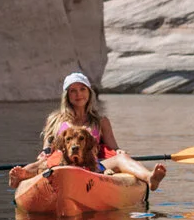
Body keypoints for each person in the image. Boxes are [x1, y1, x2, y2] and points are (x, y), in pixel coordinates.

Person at [9, 72, 167, 189]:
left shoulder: (101, 121)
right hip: (61, 163)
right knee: (42, 162)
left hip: (93, 165)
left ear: (89, 93)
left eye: (82, 89)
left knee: (122, 158)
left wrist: (119, 151)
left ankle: (150, 177)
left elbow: (114, 148)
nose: (78, 94)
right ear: (67, 95)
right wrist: (45, 152)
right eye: (73, 90)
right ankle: (20, 176)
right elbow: (47, 147)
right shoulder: (55, 120)